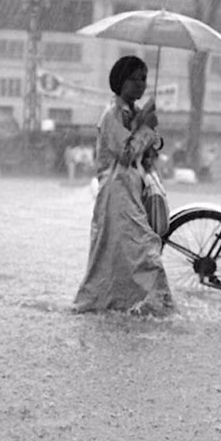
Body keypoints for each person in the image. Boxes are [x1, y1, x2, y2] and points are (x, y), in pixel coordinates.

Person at [73, 55, 173, 315]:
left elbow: (147, 152)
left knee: (121, 251)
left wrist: (151, 134)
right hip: (116, 192)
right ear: (120, 81)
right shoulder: (112, 115)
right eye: (134, 79)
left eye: (144, 79)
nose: (140, 84)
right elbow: (126, 153)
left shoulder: (135, 113)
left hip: (132, 189)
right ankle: (157, 305)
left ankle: (121, 303)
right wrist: (146, 131)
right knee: (142, 246)